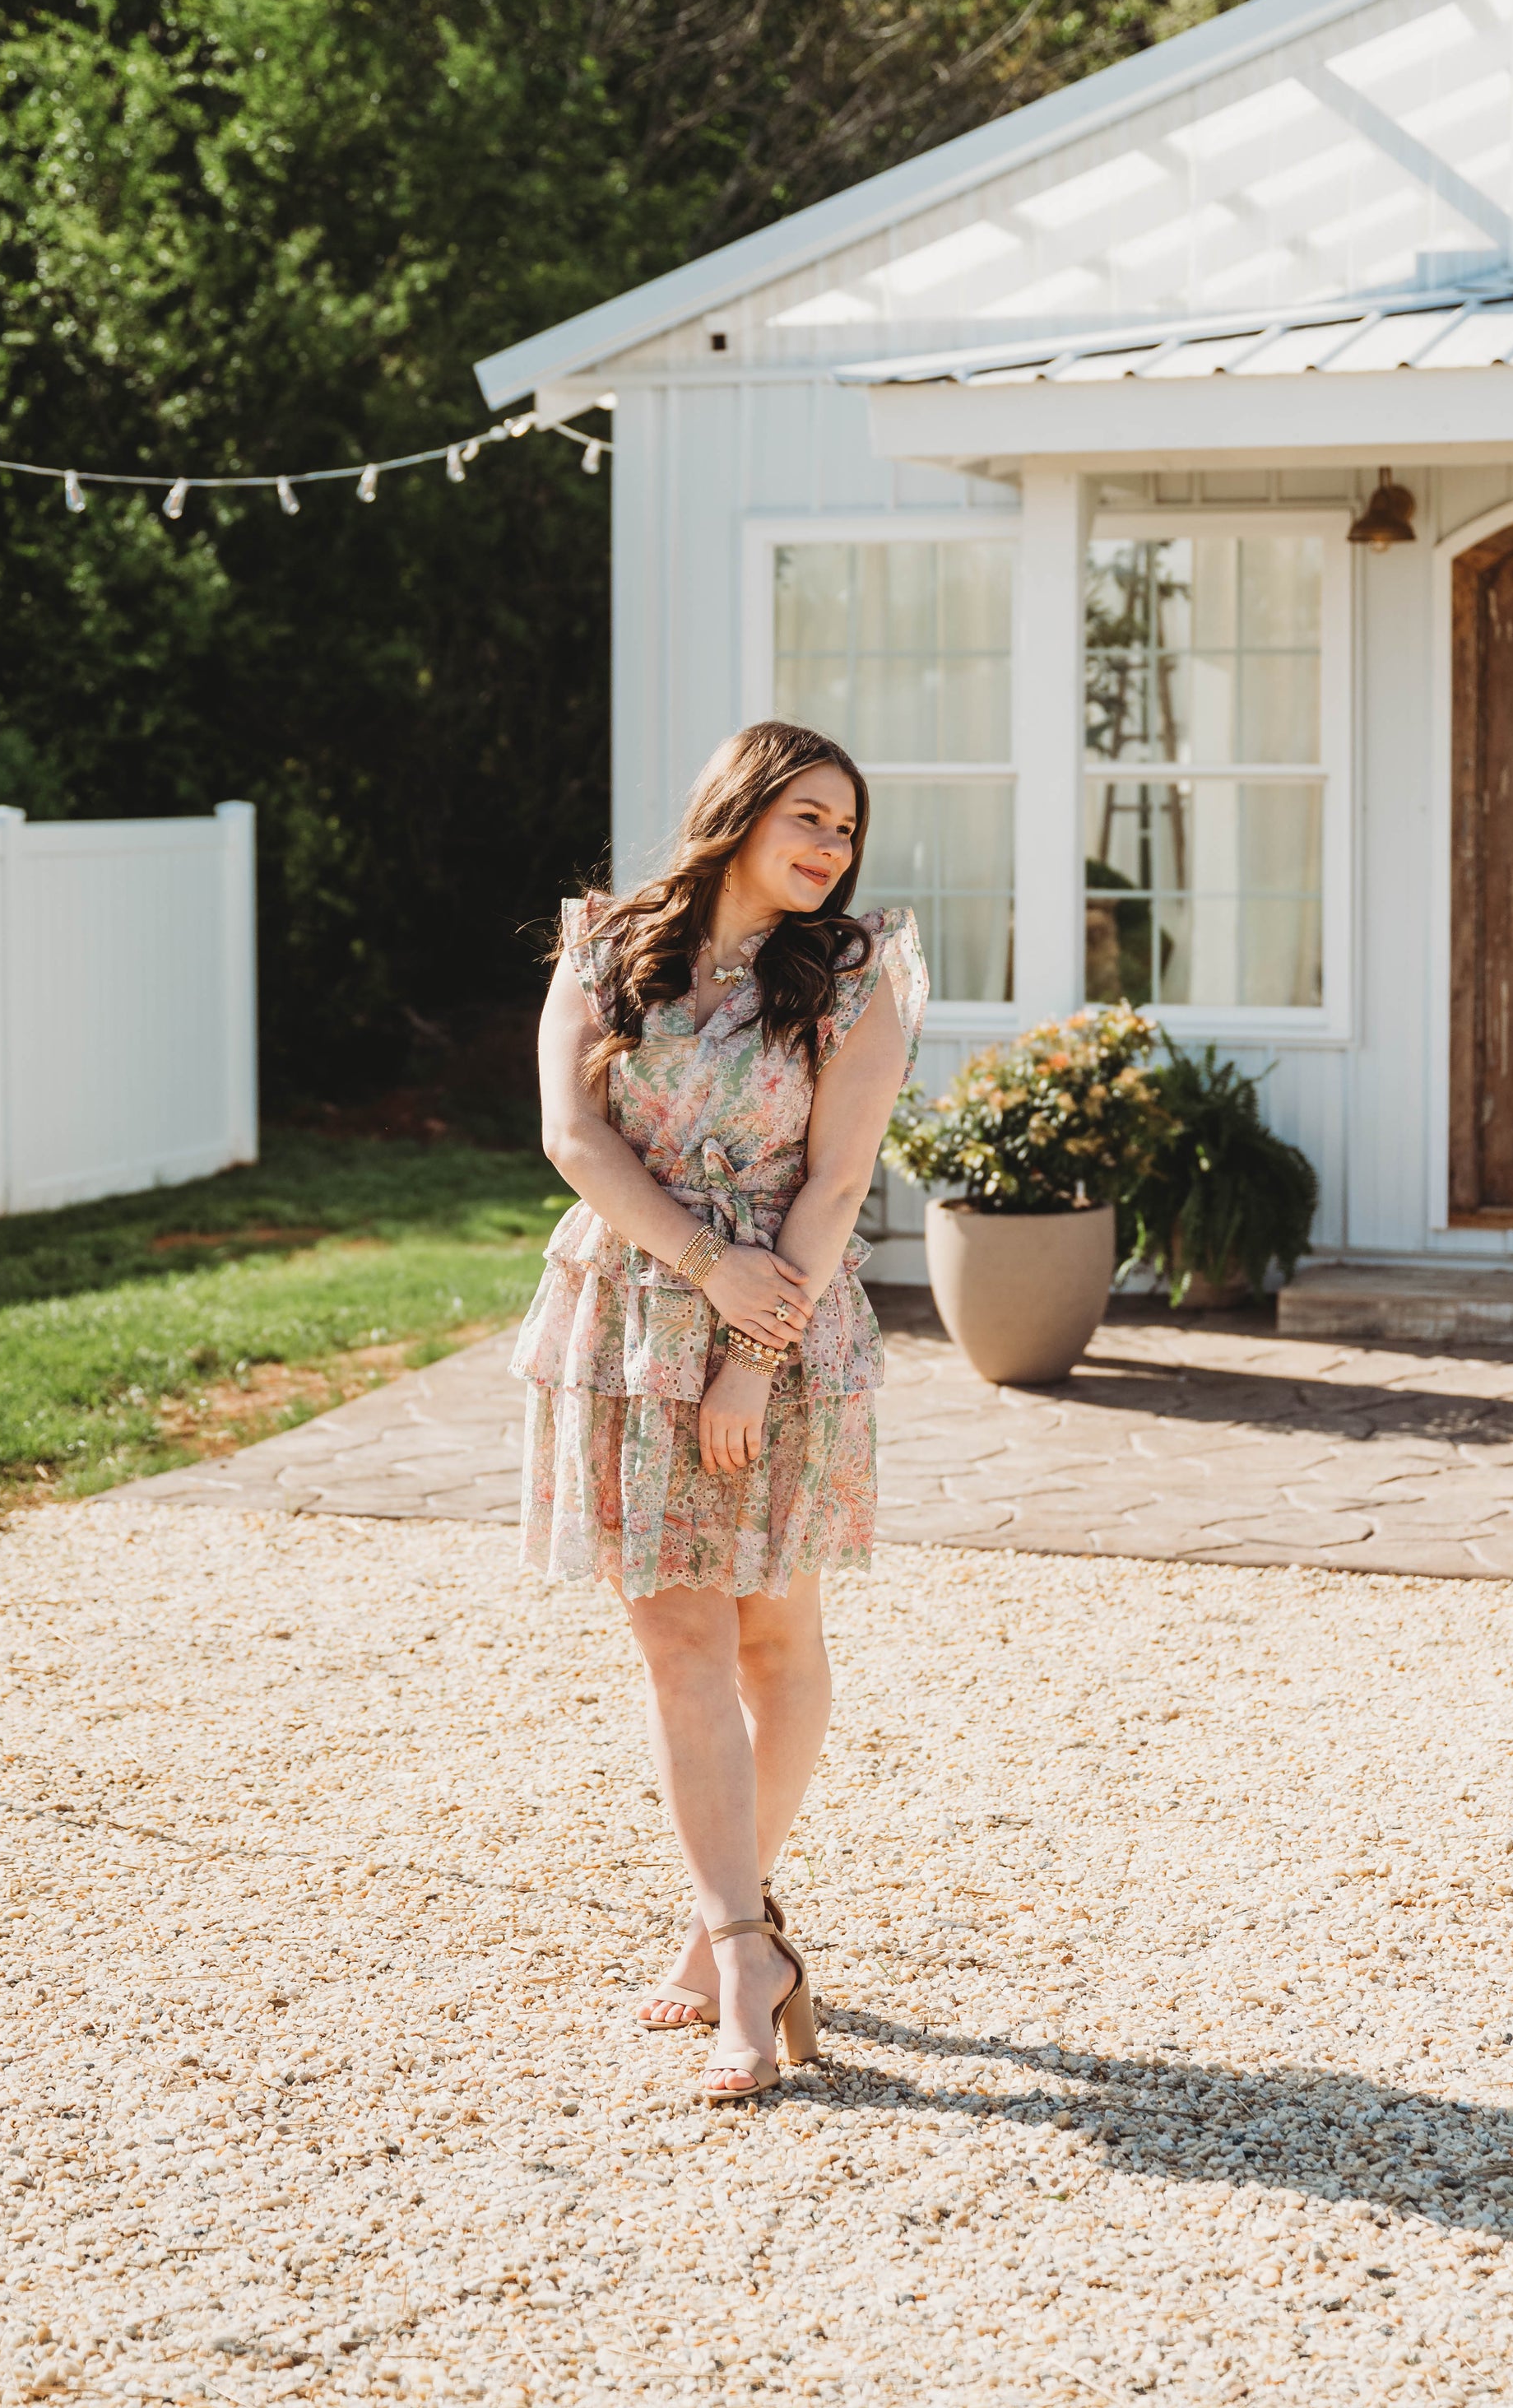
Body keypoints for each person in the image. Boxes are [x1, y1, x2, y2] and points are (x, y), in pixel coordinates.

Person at [515, 720, 926, 2102]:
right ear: (738, 810)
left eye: (847, 830)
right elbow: (573, 1140)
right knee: (677, 1637)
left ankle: (718, 1931)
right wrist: (700, 1269)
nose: (829, 848)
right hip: (629, 1315)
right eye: (807, 816)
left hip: (787, 1326)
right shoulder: (604, 944)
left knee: (773, 1632)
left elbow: (836, 1179)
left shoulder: (863, 974)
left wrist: (755, 1344)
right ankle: (749, 1950)